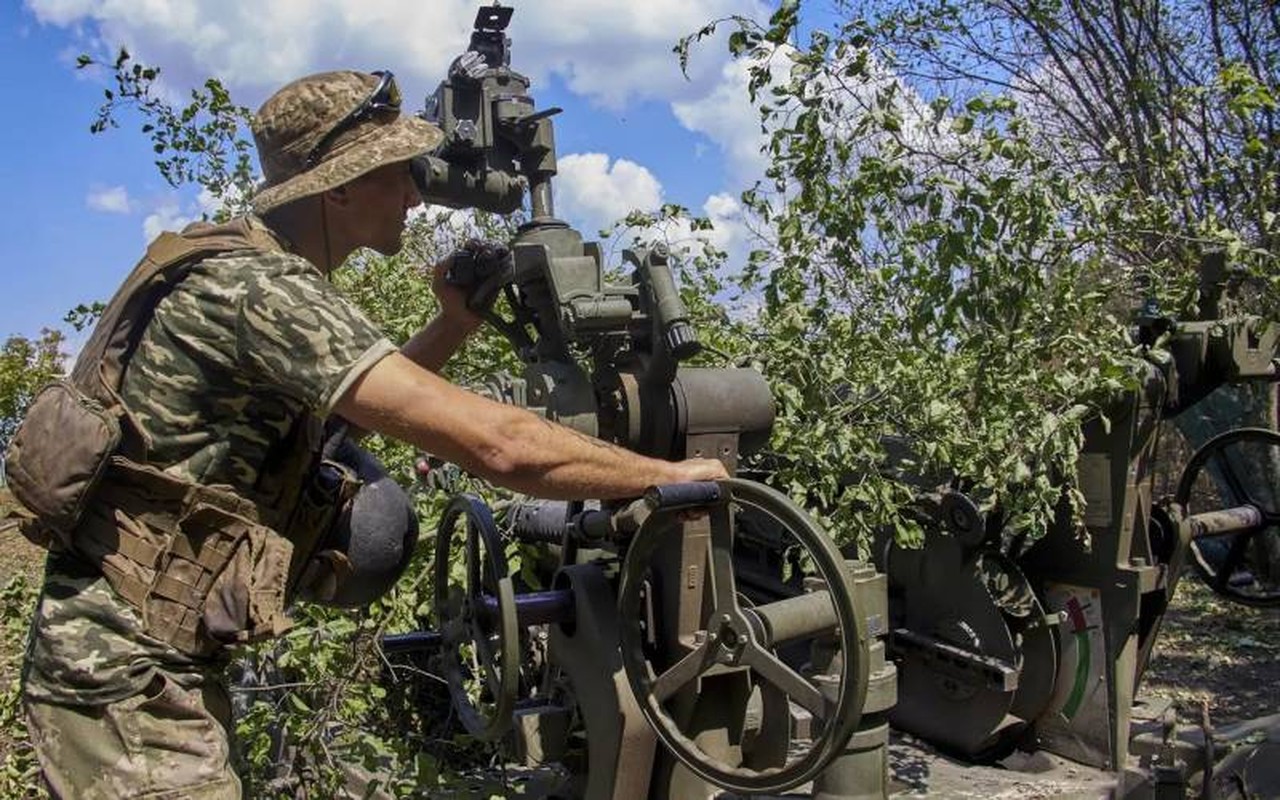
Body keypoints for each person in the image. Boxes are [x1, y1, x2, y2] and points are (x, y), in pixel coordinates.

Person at [18, 69, 727, 799]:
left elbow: (336, 424)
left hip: (144, 656)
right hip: (124, 672)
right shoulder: (261, 291)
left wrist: (452, 324)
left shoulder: (249, 270)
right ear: (340, 188)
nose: (416, 196)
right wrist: (661, 477)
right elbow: (497, 446)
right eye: (395, 174)